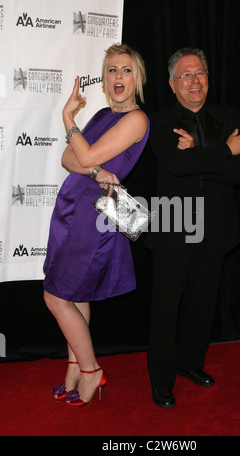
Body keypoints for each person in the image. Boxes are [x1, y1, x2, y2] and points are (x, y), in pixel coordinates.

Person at [43, 44, 149, 408]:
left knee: (55, 296)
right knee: (75, 294)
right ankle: (74, 368)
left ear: (138, 78)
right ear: (103, 81)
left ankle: (90, 370)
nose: (118, 77)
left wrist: (68, 118)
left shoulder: (136, 120)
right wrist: (95, 168)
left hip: (93, 217)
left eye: (126, 70)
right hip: (72, 208)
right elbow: (66, 158)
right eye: (111, 71)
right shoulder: (104, 113)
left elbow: (82, 154)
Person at [145, 47, 240, 408]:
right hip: (173, 223)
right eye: (186, 75)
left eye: (200, 73)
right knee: (166, 309)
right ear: (172, 84)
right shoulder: (157, 121)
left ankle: (190, 364)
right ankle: (161, 380)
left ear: (208, 79)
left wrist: (198, 152)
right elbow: (175, 164)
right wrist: (223, 150)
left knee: (203, 306)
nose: (194, 80)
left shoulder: (228, 115)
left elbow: (239, 173)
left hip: (216, 227)